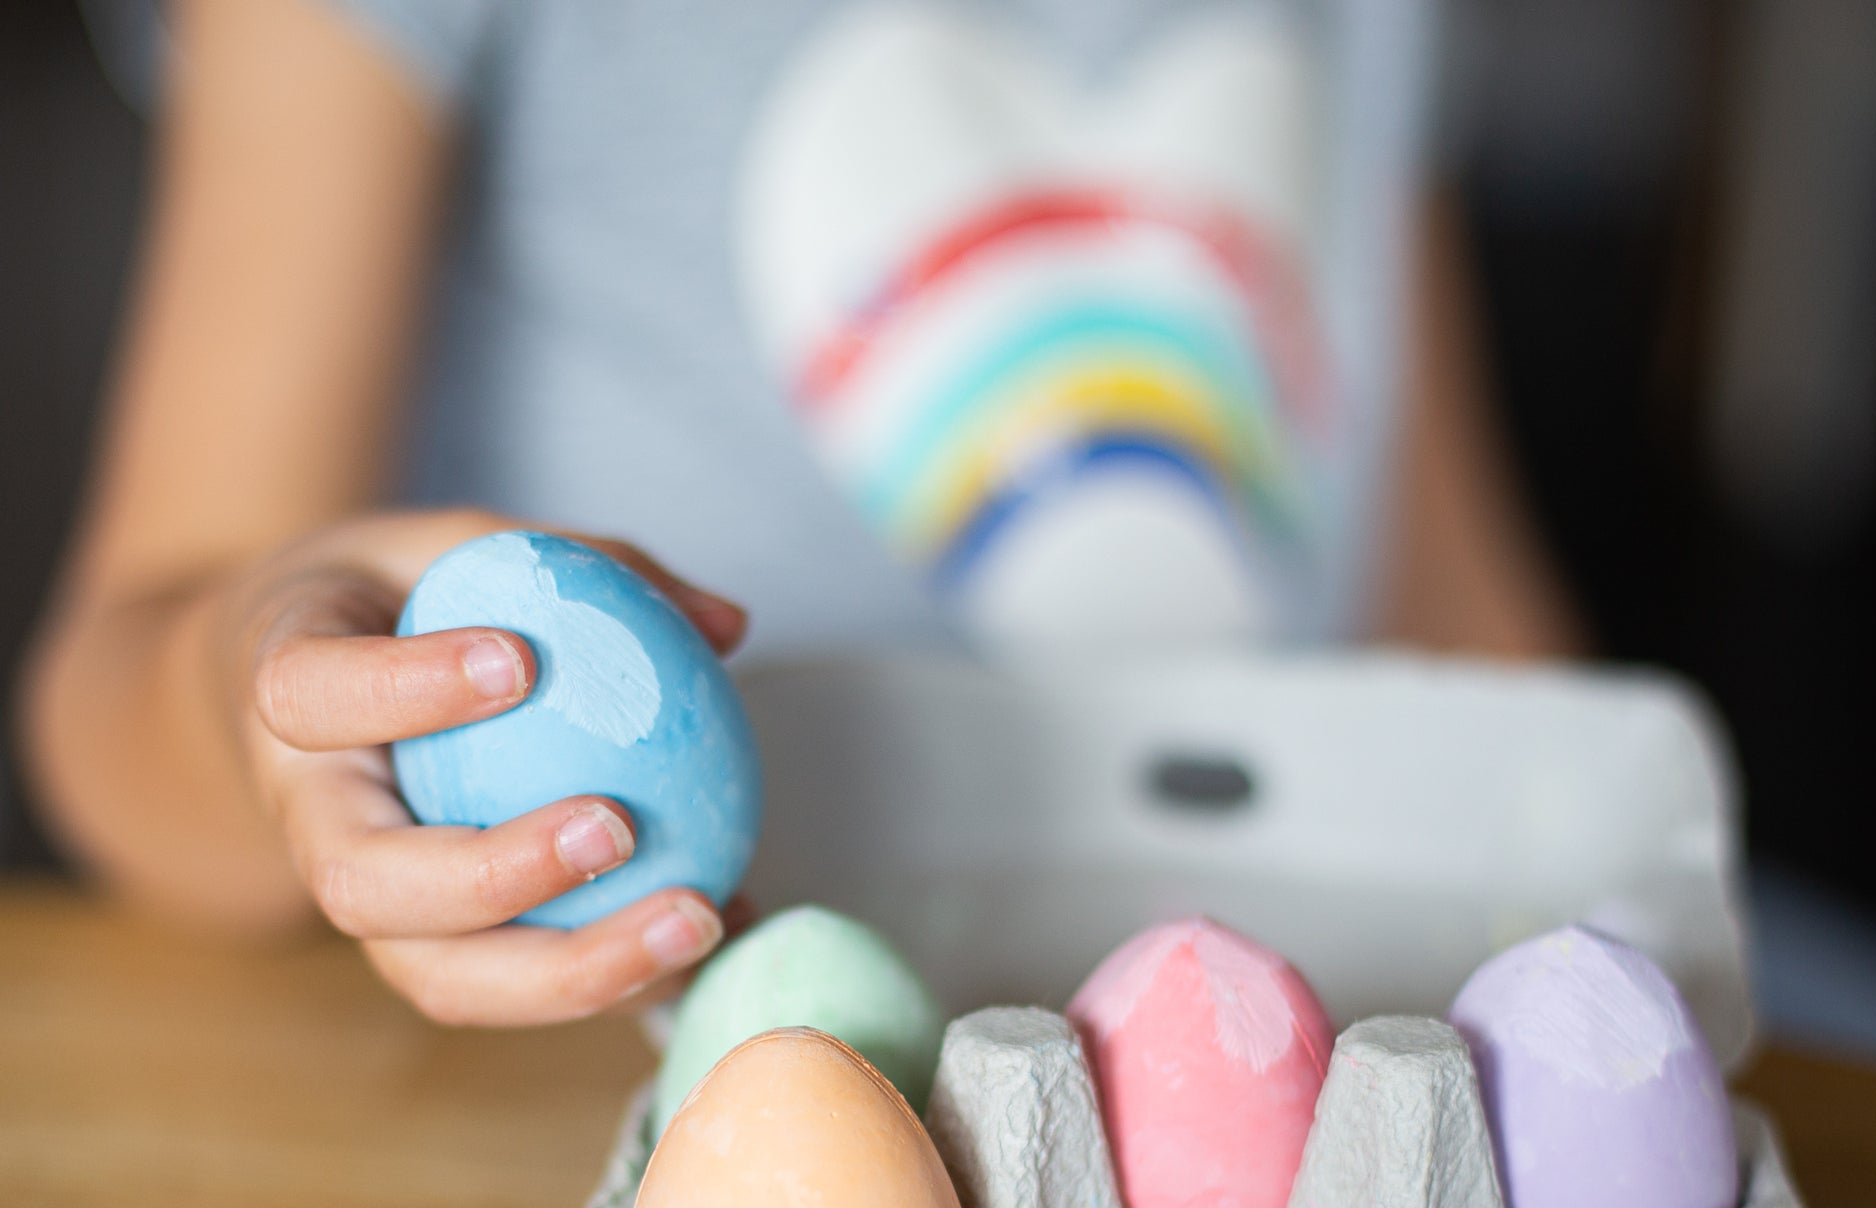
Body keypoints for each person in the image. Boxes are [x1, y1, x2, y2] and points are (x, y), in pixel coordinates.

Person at [21, 0, 1582, 1028]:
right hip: (615, 1089)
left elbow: (1441, 595)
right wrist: (281, 689)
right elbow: (112, 699)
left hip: (1266, 1022)